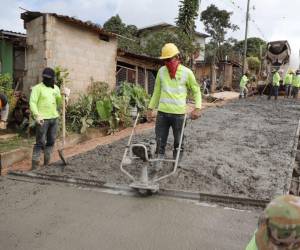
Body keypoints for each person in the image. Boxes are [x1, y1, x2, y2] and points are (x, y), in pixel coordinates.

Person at [147, 43, 201, 166]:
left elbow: (196, 90)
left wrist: (197, 108)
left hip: (179, 115)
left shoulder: (187, 73)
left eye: (169, 59)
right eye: (165, 60)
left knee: (178, 140)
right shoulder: (161, 72)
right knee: (160, 139)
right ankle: (159, 159)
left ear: (177, 57)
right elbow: (156, 92)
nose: (167, 62)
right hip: (162, 114)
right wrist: (150, 108)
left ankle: (177, 161)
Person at [29, 67, 70, 169]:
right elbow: (32, 102)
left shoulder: (55, 88)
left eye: (49, 78)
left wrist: (65, 96)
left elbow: (60, 103)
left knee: (51, 141)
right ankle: (35, 166)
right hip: (42, 119)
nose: (46, 80)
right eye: (45, 78)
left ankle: (46, 163)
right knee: (40, 142)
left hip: (54, 119)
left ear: (53, 78)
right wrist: (36, 115)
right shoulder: (37, 88)